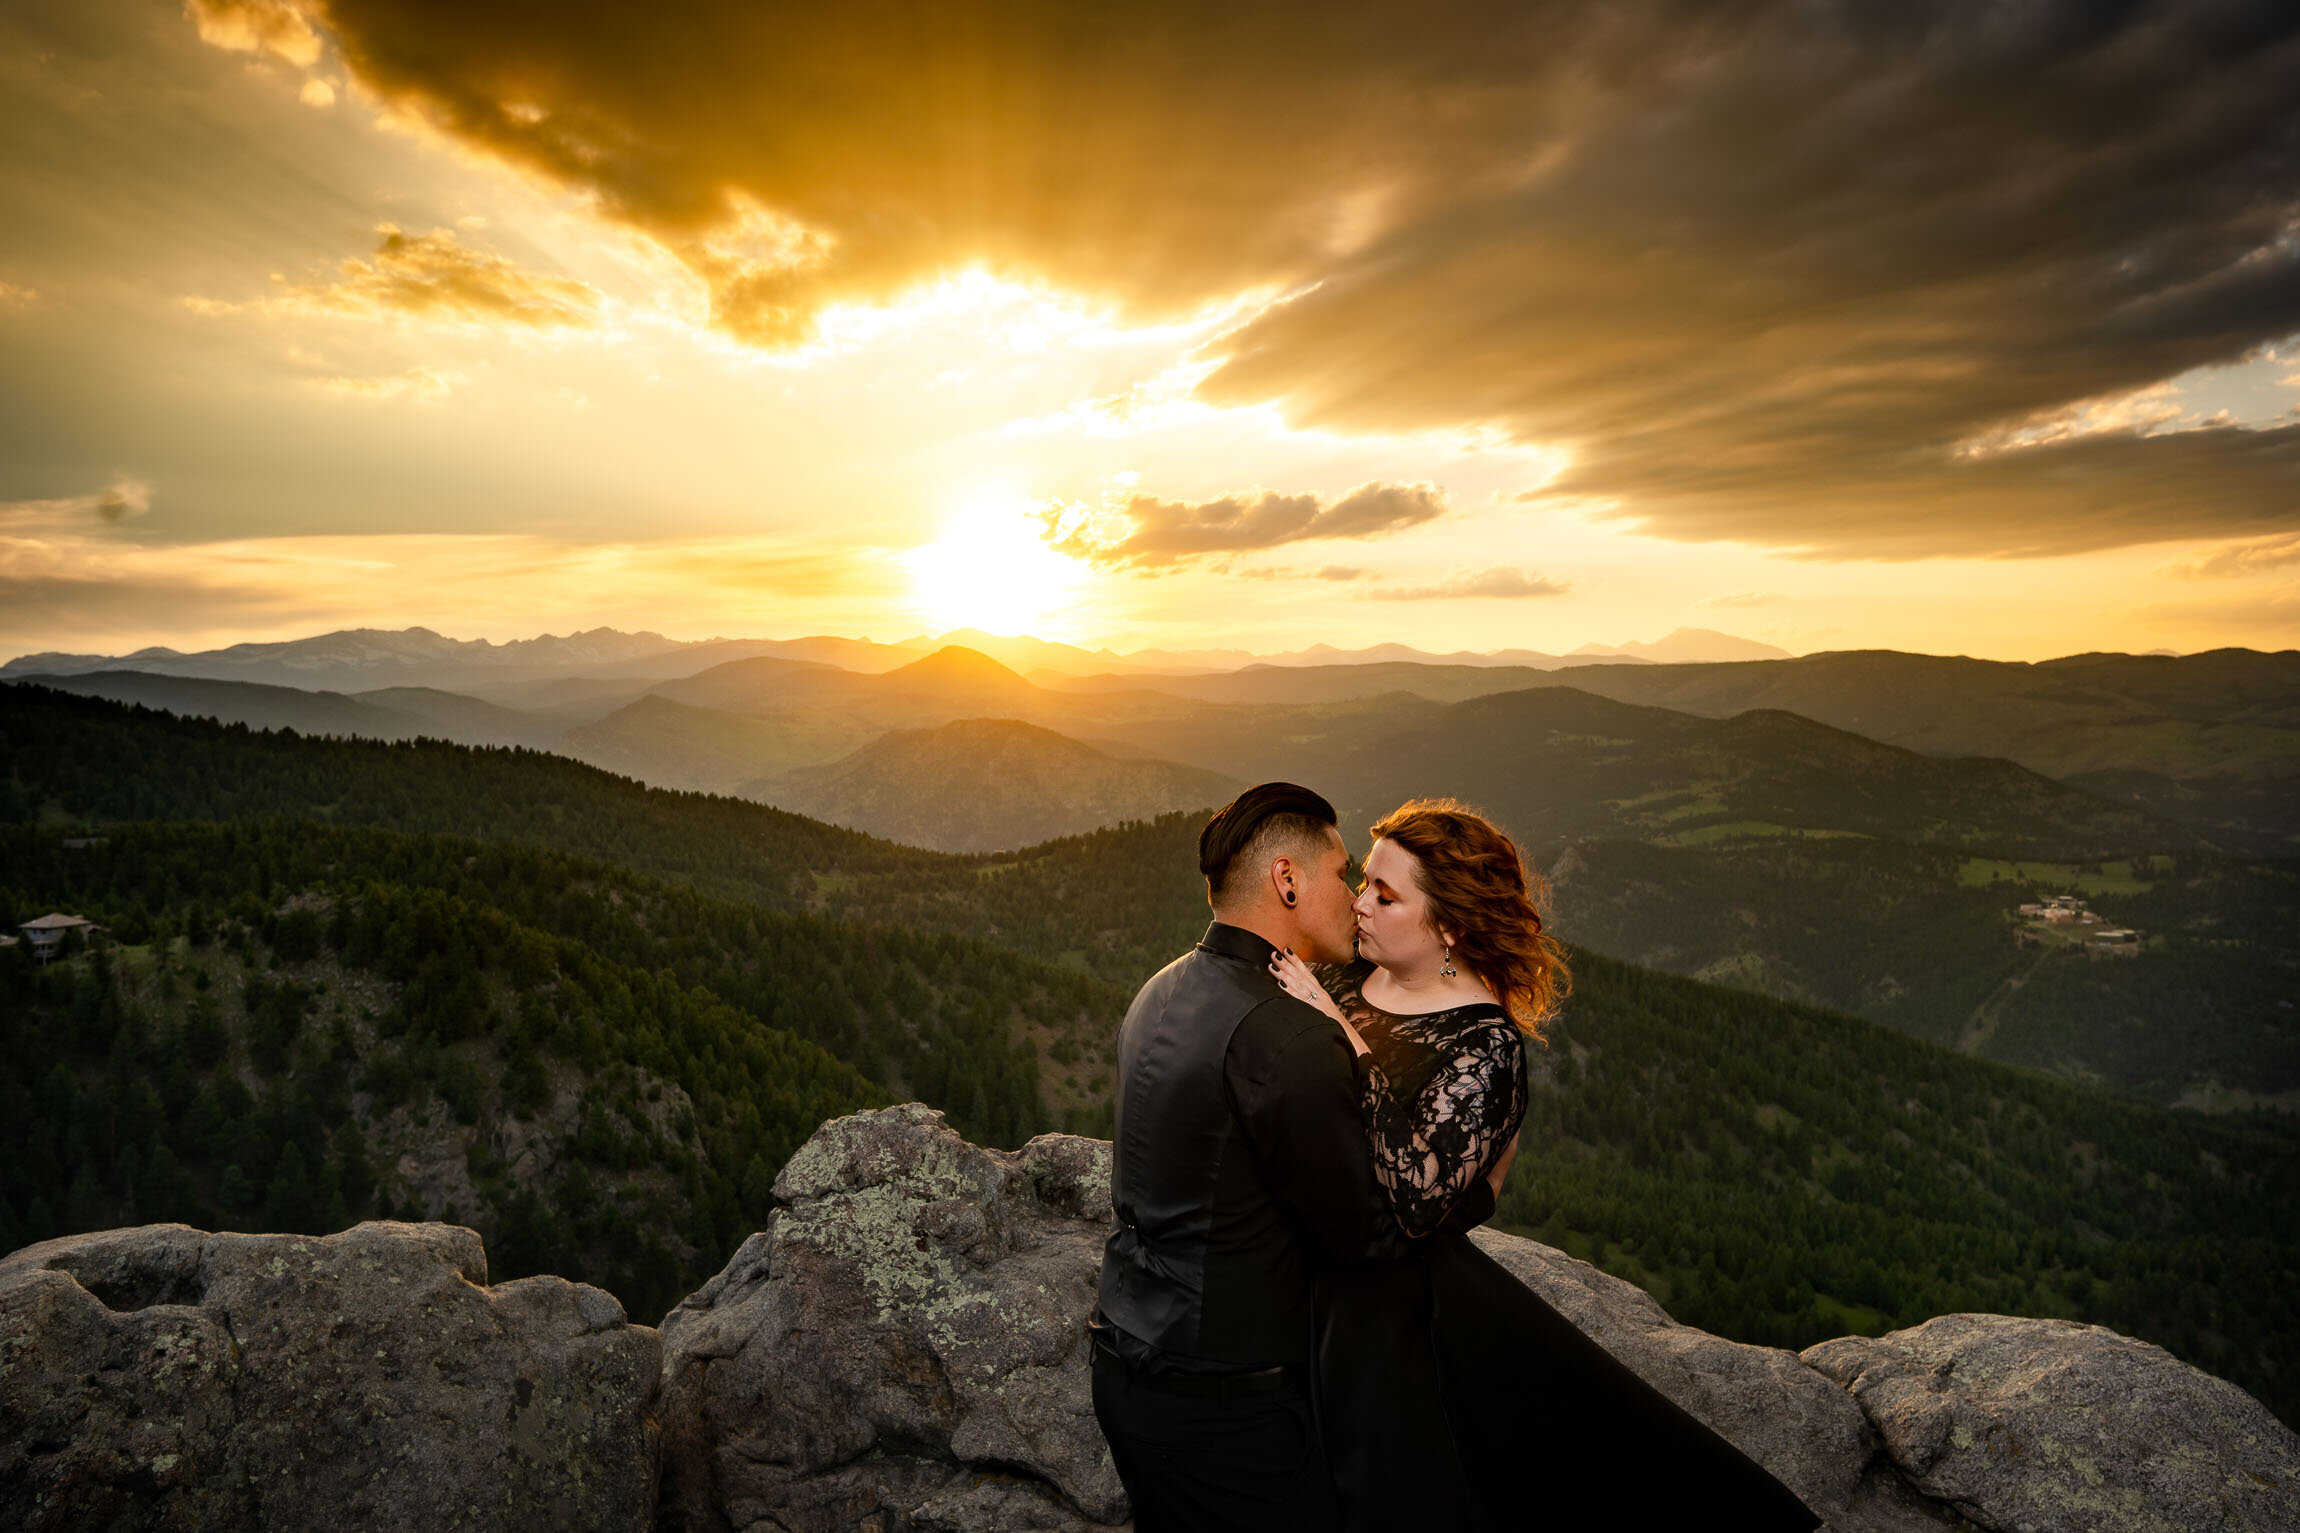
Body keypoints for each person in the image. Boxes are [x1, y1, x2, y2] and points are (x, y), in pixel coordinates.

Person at [1272, 799, 1818, 1531]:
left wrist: (1340, 1035)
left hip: (1404, 1312)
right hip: (1314, 1269)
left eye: (1386, 894)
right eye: (1365, 881)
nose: (1358, 904)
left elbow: (1415, 1202)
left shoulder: (1484, 1046)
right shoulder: (1344, 980)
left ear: (1450, 926)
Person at [1090, 782, 1504, 1532]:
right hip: (1227, 1409)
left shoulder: (1159, 988)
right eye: (1345, 874)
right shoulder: (1288, 1035)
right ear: (1287, 880)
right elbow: (1364, 1238)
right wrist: (1476, 1192)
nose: (1353, 898)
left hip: (1123, 1365)